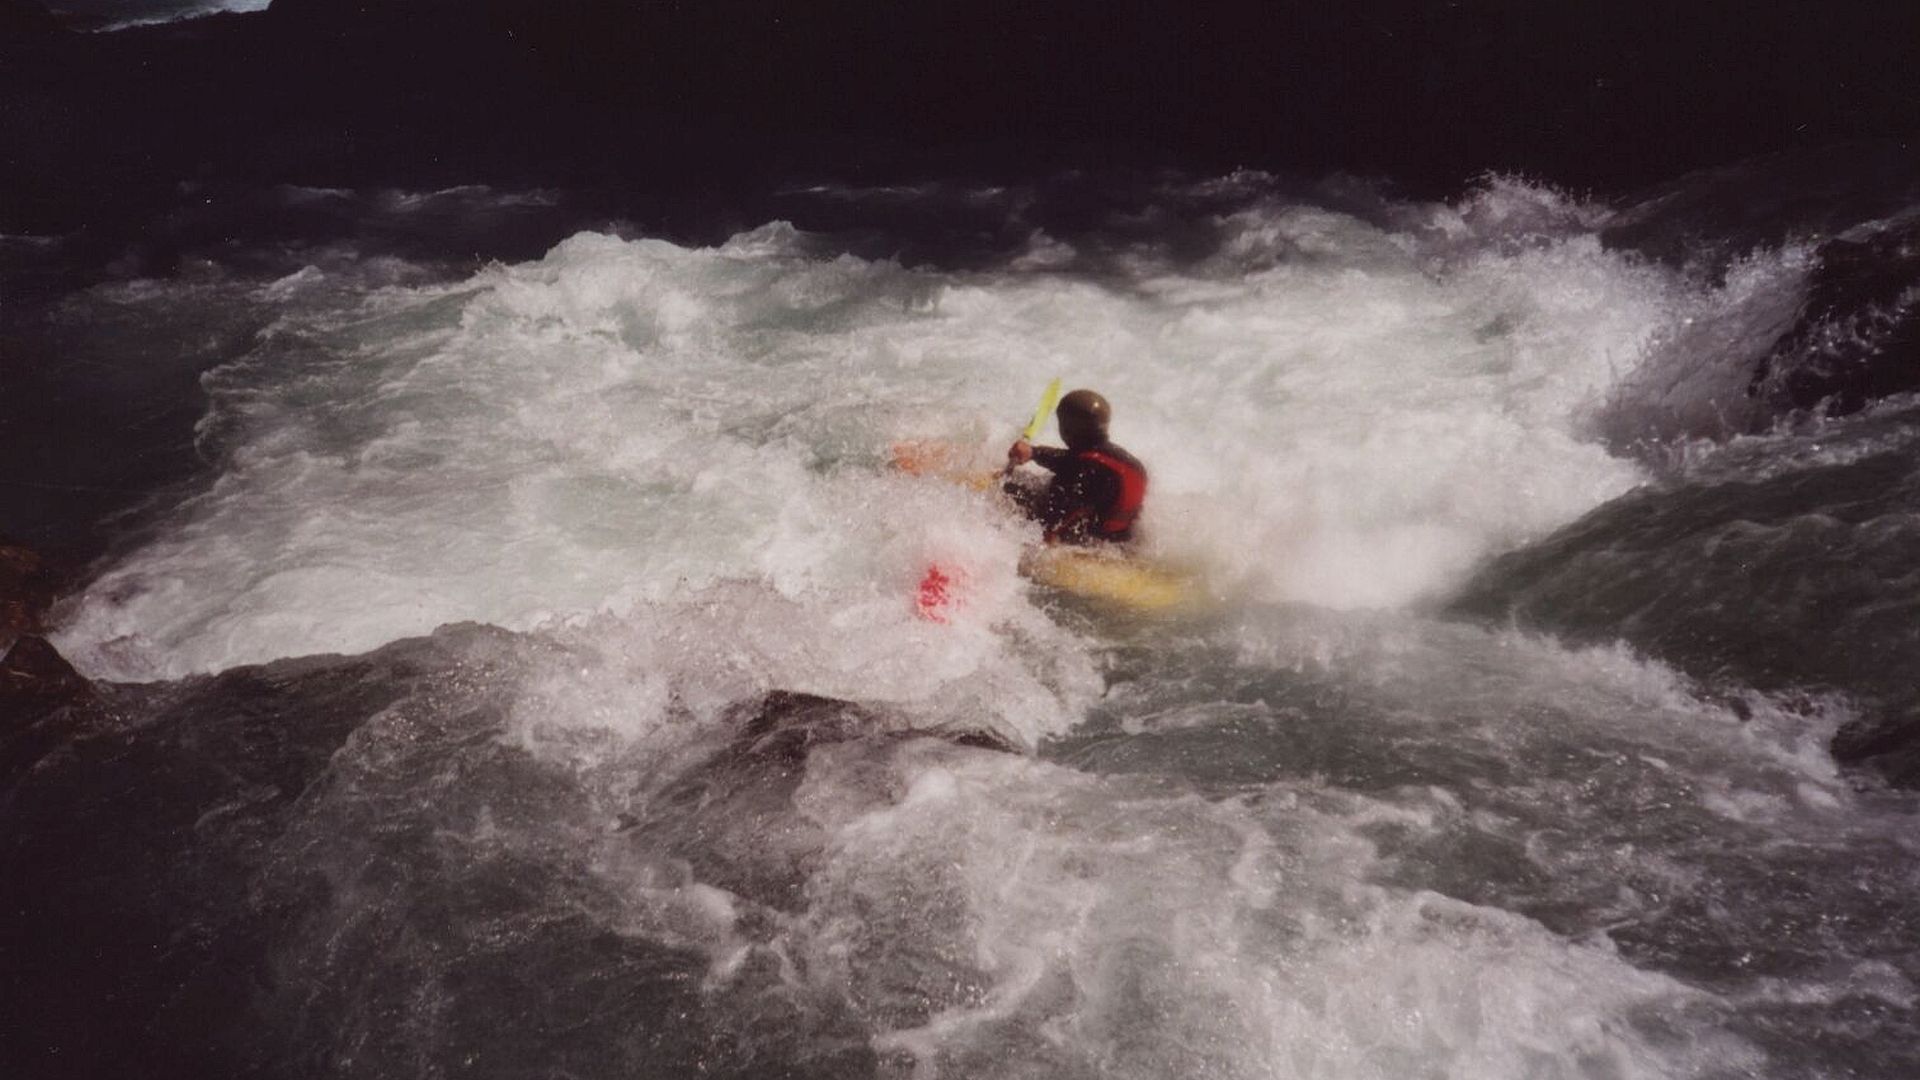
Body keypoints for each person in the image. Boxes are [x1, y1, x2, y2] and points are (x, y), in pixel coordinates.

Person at [1005, 389, 1148, 545]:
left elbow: (1055, 518)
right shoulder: (1133, 464)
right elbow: (1068, 460)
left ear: (1066, 430)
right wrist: (1033, 452)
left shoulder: (1081, 469)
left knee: (1011, 489)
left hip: (1089, 544)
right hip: (1121, 541)